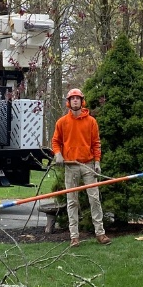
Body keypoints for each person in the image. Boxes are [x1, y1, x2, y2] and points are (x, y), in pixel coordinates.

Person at [51, 88, 111, 247]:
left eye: (78, 98)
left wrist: (97, 162)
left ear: (82, 101)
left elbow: (96, 143)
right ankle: (74, 237)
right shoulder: (62, 122)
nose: (75, 101)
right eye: (72, 99)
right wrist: (58, 154)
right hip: (70, 167)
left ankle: (100, 233)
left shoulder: (91, 121)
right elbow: (55, 142)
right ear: (68, 103)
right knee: (72, 202)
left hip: (88, 165)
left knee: (94, 199)